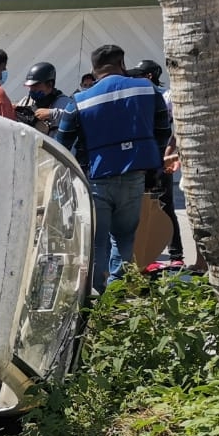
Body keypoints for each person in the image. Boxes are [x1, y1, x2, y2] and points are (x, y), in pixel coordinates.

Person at [56, 44, 170, 293]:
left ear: (93, 69)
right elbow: (164, 129)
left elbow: (62, 142)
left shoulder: (79, 100)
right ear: (122, 63)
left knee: (97, 242)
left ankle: (98, 293)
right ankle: (116, 291)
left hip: (97, 180)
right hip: (134, 177)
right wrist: (154, 160)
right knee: (125, 237)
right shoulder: (147, 89)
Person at [127, 58, 183, 263]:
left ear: (149, 77)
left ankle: (176, 255)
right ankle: (145, 255)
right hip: (142, 160)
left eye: (138, 76)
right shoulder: (137, 98)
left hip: (159, 161)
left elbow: (178, 128)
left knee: (165, 206)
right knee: (142, 208)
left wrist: (171, 153)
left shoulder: (166, 98)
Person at [14, 61, 74, 135]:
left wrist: (52, 114)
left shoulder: (65, 102)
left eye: (35, 85)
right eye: (30, 86)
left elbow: (77, 119)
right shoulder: (27, 101)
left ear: (50, 84)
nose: (31, 90)